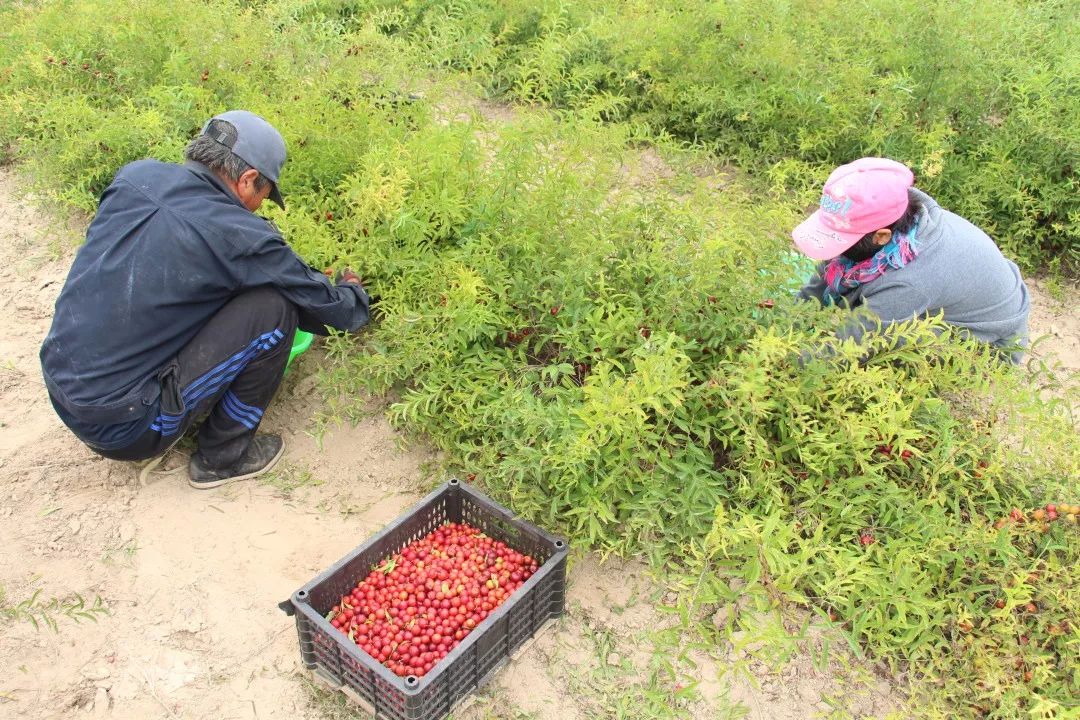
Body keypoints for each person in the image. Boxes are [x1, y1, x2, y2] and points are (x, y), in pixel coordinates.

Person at [40, 110, 370, 488]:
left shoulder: (136, 177)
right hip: (126, 426)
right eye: (264, 194)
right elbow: (336, 314)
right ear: (248, 180)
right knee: (274, 310)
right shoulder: (240, 235)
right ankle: (221, 458)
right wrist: (353, 289)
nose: (259, 205)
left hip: (62, 388)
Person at [793, 157, 1030, 363]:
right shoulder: (898, 217)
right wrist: (785, 319)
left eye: (843, 242)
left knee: (882, 354)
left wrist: (776, 362)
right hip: (966, 297)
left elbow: (845, 349)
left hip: (990, 345)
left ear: (881, 236)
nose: (836, 252)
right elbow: (822, 280)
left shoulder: (909, 282)